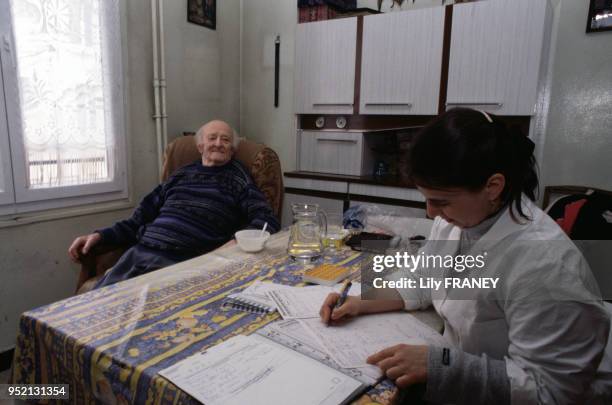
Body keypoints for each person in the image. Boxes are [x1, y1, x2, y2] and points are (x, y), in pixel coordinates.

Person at [320, 108, 611, 404]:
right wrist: (363, 300)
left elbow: (550, 391)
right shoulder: (459, 223)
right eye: (427, 199)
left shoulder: (545, 265)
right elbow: (423, 277)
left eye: (441, 201)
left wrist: (442, 366)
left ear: (492, 187)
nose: (431, 212)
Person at [68, 120, 280, 288]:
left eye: (225, 140)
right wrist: (99, 236)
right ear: (200, 146)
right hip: (139, 252)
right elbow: (137, 221)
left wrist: (235, 242)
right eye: (212, 138)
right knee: (96, 308)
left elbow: (266, 220)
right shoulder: (179, 176)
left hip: (183, 262)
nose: (218, 143)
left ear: (232, 149)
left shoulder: (238, 180)